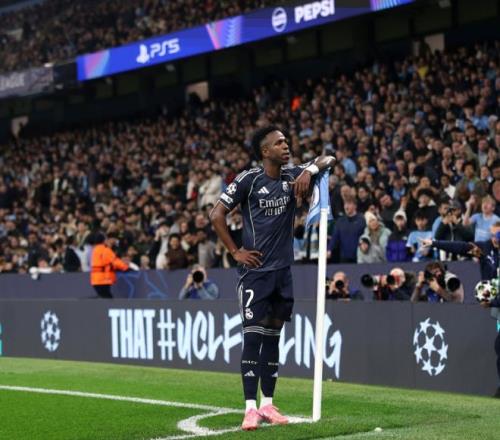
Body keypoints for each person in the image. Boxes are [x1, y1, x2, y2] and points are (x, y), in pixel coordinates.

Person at [210, 126, 335, 430]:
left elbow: (329, 159)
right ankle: (250, 408)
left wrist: (310, 170)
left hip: (282, 273)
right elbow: (216, 214)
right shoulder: (249, 180)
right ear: (265, 151)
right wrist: (235, 251)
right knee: (253, 338)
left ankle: (268, 404)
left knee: (273, 339)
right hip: (255, 274)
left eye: (286, 141)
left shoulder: (293, 174)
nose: (286, 146)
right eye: (279, 143)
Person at [420, 221, 500, 281]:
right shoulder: (485, 247)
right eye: (492, 235)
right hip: (490, 293)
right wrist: (434, 243)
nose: (494, 239)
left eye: (497, 235)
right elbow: (460, 247)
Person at [90, 232, 137, 298]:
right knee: (108, 299)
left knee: (104, 298)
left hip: (95, 279)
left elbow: (104, 263)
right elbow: (115, 261)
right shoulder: (105, 250)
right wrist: (126, 268)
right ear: (103, 240)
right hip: (103, 279)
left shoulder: (95, 250)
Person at [328, 197, 365, 263]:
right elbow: (334, 237)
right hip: (344, 257)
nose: (346, 206)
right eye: (345, 204)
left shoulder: (361, 219)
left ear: (355, 206)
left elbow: (366, 235)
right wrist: (329, 249)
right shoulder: (340, 221)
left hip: (359, 256)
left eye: (349, 204)